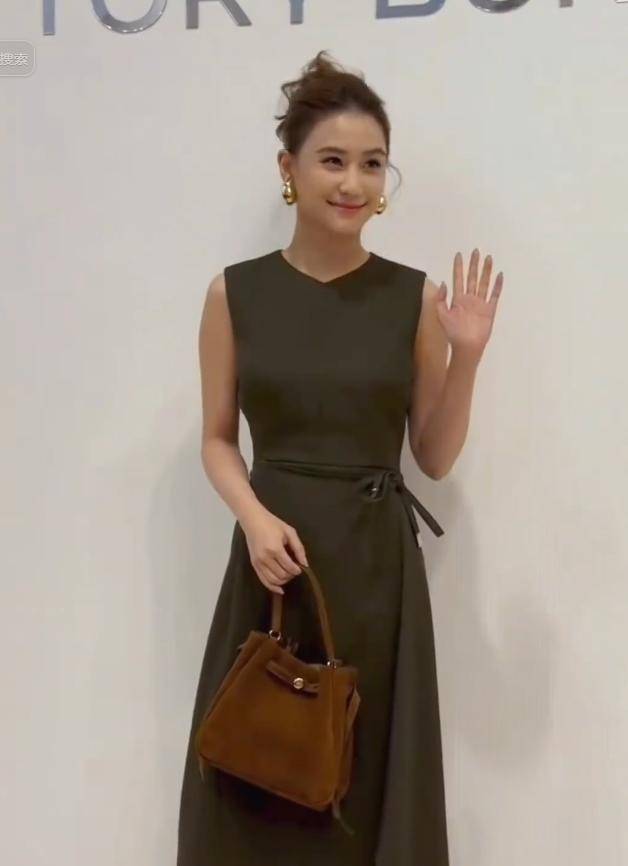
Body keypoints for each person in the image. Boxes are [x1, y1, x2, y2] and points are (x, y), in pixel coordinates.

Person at [177, 49, 503, 866]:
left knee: (368, 775)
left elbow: (433, 456)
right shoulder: (233, 293)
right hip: (274, 565)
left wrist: (467, 356)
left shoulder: (414, 297)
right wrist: (253, 519)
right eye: (332, 160)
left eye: (372, 163)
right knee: (257, 762)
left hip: (376, 571)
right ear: (288, 169)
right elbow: (217, 438)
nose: (354, 182)